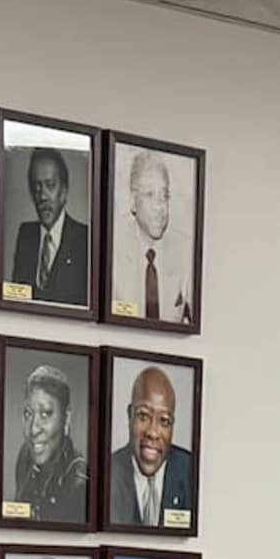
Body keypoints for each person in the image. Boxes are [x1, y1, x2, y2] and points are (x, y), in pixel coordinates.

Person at [108, 365, 198, 528]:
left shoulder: (190, 471)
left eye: (164, 421)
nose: (153, 433)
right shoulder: (108, 472)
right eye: (143, 416)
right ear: (130, 415)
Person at [113, 147, 195, 325]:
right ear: (133, 201)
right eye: (150, 195)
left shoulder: (185, 251)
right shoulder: (113, 247)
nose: (160, 208)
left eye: (164, 196)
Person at [5, 144, 90, 305]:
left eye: (50, 185)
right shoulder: (25, 235)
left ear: (64, 191)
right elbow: (16, 298)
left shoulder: (85, 239)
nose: (42, 196)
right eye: (37, 187)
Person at [0, 364, 83, 525]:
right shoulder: (25, 456)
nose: (33, 429)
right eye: (28, 414)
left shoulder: (79, 485)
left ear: (66, 418)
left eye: (45, 414)